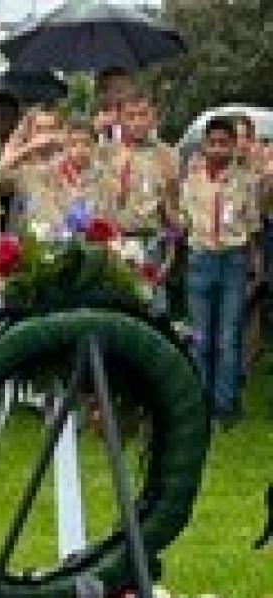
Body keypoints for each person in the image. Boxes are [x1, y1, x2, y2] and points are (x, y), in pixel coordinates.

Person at [180, 117, 261, 428]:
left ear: (233, 145)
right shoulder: (191, 180)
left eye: (224, 143)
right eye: (212, 143)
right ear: (203, 145)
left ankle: (223, 405)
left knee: (228, 337)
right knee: (200, 337)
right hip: (200, 259)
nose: (218, 149)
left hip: (233, 260)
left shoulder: (245, 181)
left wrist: (255, 266)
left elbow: (252, 224)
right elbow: (182, 219)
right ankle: (199, 402)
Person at [106, 89, 179, 310]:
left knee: (153, 310)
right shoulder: (106, 154)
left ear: (153, 117)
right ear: (119, 119)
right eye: (130, 116)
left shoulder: (166, 155)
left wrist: (170, 255)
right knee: (118, 312)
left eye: (143, 115)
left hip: (151, 243)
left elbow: (173, 210)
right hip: (114, 242)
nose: (137, 122)